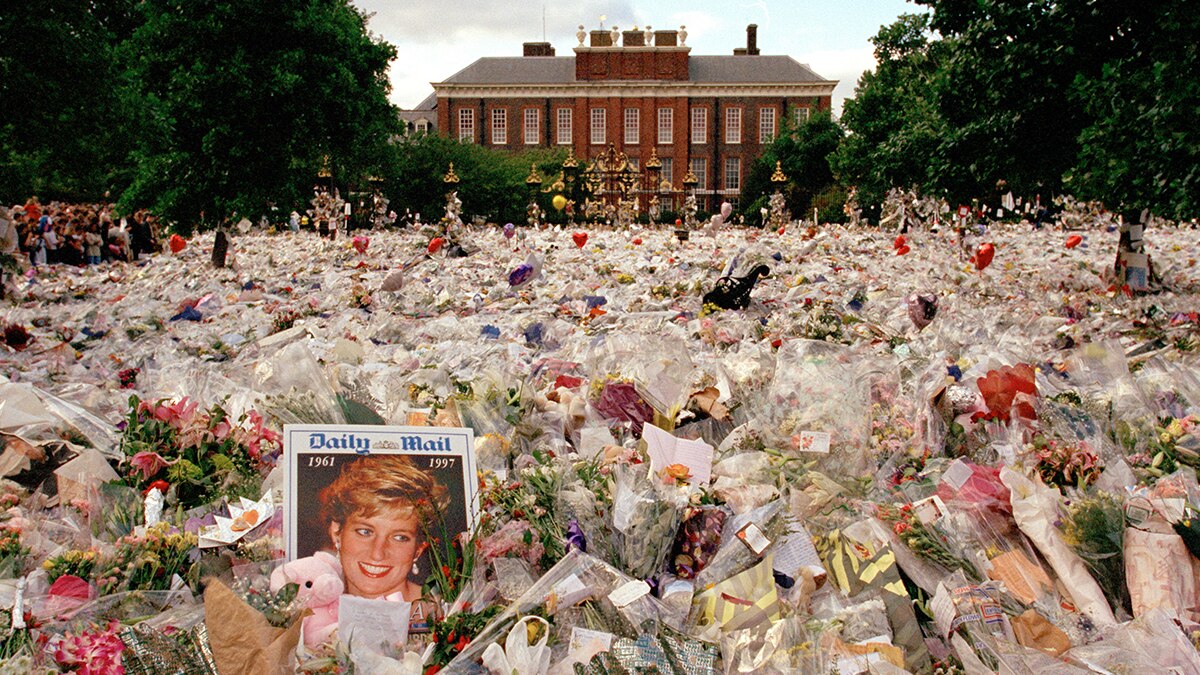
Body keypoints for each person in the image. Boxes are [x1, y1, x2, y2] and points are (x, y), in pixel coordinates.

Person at [317, 455, 448, 623]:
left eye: (399, 537)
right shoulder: (311, 612)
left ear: (418, 549)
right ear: (336, 532)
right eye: (365, 532)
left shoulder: (442, 616)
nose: (378, 554)